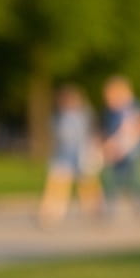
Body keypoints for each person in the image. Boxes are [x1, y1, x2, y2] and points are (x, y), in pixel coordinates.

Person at [37, 83, 103, 227]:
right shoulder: (58, 118)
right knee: (57, 185)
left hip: (82, 154)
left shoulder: (85, 115)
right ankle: (51, 213)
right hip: (63, 155)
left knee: (88, 186)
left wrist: (94, 152)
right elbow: (56, 139)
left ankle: (94, 211)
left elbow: (93, 135)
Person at [100, 75, 140, 217]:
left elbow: (138, 129)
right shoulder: (110, 112)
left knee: (136, 180)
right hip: (115, 152)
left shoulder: (134, 106)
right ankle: (110, 209)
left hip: (134, 151)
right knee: (111, 180)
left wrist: (122, 146)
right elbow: (107, 131)